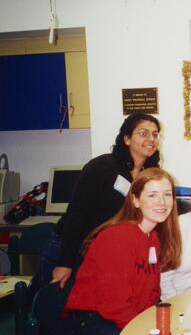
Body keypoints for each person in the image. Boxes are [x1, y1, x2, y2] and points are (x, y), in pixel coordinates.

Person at [42, 113, 162, 289]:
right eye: (143, 133)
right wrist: (65, 262)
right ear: (127, 138)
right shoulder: (103, 166)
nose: (151, 138)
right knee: (53, 309)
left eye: (155, 134)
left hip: (102, 251)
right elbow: (77, 214)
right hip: (70, 246)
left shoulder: (149, 174)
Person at [65, 167, 182, 334]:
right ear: (135, 200)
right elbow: (114, 304)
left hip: (127, 316)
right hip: (95, 320)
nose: (162, 202)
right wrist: (142, 329)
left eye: (167, 194)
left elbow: (152, 291)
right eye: (152, 195)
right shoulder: (117, 238)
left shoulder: (153, 238)